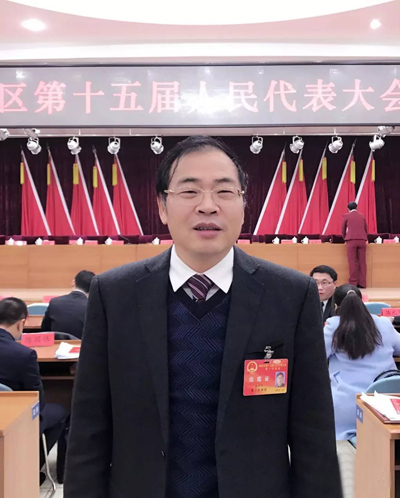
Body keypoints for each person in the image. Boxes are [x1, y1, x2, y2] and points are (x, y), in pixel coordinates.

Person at [64, 136, 342, 498]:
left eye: (224, 191)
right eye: (189, 191)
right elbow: (88, 427)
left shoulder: (291, 294)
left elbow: (313, 431)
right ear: (162, 206)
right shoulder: (114, 294)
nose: (208, 206)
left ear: (243, 204)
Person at [0, 297, 68, 482]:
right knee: (59, 411)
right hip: (15, 418)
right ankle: (29, 470)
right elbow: (37, 400)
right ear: (21, 323)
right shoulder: (23, 354)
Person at [324, 284, 400, 440]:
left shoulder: (333, 326)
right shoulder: (384, 323)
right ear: (362, 302)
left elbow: (317, 355)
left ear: (336, 306)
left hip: (349, 404)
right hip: (387, 400)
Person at [41, 270, 95, 339]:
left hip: (57, 344)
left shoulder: (54, 302)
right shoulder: (91, 306)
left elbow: (45, 330)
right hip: (80, 345)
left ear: (73, 282)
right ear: (92, 288)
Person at [341, 202, 368, 288]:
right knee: (362, 262)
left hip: (351, 240)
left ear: (348, 208)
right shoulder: (362, 216)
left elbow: (343, 229)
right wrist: (365, 238)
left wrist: (345, 238)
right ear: (357, 207)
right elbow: (365, 228)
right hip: (362, 240)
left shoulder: (346, 216)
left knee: (352, 261)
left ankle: (353, 283)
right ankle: (362, 283)